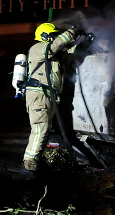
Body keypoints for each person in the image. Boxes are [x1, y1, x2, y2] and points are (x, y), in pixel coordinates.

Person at [21, 22, 90, 173]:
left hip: (49, 95)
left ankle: (36, 163)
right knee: (40, 128)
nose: (55, 39)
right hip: (39, 95)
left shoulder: (54, 57)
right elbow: (56, 45)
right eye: (52, 36)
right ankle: (29, 165)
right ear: (44, 36)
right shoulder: (38, 49)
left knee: (45, 131)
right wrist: (73, 31)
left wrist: (85, 44)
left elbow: (71, 57)